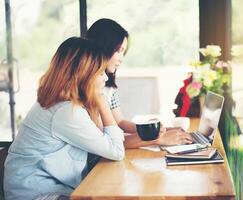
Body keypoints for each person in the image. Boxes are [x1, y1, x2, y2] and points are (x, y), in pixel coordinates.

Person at [4, 37, 125, 200]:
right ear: (84, 75)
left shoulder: (62, 104)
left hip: (46, 190)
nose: (105, 78)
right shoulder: (67, 112)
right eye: (100, 72)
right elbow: (116, 150)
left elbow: (103, 141)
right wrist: (101, 99)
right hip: (39, 195)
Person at [87, 18, 192, 148]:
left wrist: (157, 130)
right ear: (104, 47)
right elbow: (107, 142)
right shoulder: (89, 90)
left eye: (124, 52)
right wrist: (156, 138)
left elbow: (119, 122)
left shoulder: (108, 88)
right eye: (119, 51)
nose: (121, 59)